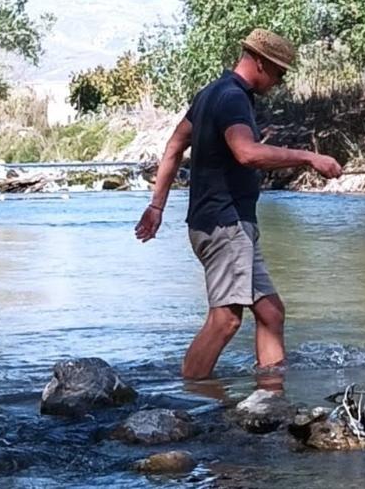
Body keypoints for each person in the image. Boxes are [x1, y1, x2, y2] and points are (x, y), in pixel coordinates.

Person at [135, 28, 343, 380]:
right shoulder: (232, 97)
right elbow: (246, 153)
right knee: (227, 319)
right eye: (278, 73)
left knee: (271, 313)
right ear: (260, 62)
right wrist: (309, 157)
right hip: (225, 223)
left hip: (221, 223)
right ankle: (188, 399)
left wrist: (157, 207)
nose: (279, 81)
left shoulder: (211, 94)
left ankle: (269, 401)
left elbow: (173, 147)